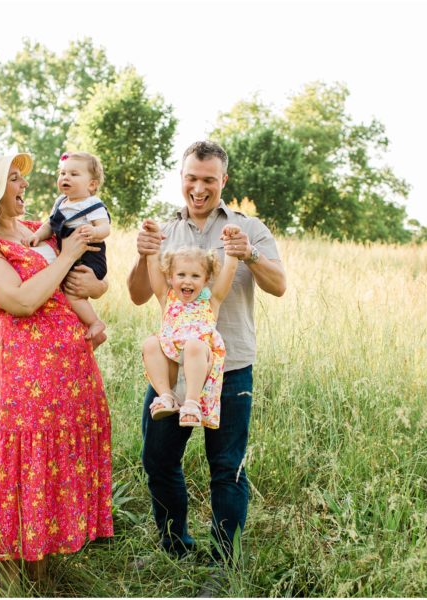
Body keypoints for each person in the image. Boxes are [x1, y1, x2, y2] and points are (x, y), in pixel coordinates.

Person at [0, 148, 113, 590]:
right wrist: (67, 257)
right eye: (13, 179)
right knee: (23, 468)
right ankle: (13, 584)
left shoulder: (33, 231)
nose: (25, 184)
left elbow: (88, 281)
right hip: (28, 382)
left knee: (52, 472)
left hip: (71, 374)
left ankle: (43, 578)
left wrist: (95, 286)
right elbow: (23, 302)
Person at [127, 140, 286, 561]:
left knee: (227, 469)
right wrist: (143, 253)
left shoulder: (248, 228)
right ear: (182, 178)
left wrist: (247, 254)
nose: (199, 188)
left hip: (231, 366)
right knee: (158, 460)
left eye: (209, 180)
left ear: (223, 181)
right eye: (192, 179)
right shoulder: (164, 230)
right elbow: (139, 295)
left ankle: (224, 561)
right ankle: (175, 545)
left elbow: (279, 285)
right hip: (173, 370)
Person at [142, 218, 241, 428]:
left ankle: (192, 404)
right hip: (170, 366)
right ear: (170, 276)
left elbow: (229, 271)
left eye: (195, 276)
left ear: (206, 280)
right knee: (150, 343)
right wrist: (153, 240)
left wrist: (232, 248)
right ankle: (166, 397)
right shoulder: (166, 296)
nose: (187, 281)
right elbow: (152, 263)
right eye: (181, 275)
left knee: (195, 345)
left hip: (198, 368)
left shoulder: (211, 300)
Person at [26, 151, 110, 341]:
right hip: (70, 255)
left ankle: (95, 322)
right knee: (64, 292)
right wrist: (37, 235)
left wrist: (95, 232)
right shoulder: (60, 203)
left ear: (92, 184)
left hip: (89, 255)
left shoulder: (92, 204)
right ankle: (78, 328)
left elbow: (105, 227)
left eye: (74, 174)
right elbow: (50, 225)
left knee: (74, 293)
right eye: (62, 173)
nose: (65, 177)